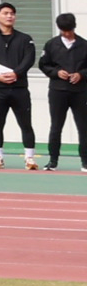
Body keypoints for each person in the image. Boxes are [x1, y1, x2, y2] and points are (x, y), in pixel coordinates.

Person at [0, 2, 39, 168]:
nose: (9, 16)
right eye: (6, 13)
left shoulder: (25, 39)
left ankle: (29, 158)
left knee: (26, 124)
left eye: (12, 13)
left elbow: (29, 59)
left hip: (19, 88)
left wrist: (17, 73)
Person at [44, 14, 87, 170]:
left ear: (74, 27)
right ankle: (53, 161)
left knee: (83, 127)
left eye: (69, 30)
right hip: (58, 91)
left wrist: (81, 74)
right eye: (64, 31)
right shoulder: (51, 44)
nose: (67, 34)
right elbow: (44, 64)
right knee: (56, 126)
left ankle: (85, 161)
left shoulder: (84, 45)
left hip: (79, 91)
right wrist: (56, 72)